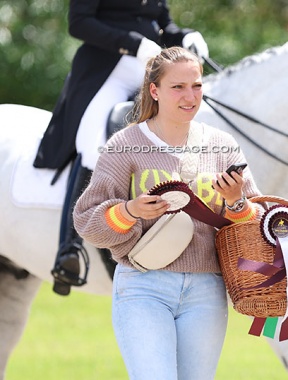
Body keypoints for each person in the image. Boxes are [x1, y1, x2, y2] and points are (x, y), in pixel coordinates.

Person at [72, 46, 263, 380]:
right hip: (143, 286)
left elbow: (256, 224)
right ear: (155, 91)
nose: (190, 96)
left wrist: (236, 201)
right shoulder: (125, 145)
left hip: (207, 290)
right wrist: (129, 211)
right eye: (178, 87)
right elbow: (86, 219)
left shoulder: (222, 145)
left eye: (197, 86)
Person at [32, 0, 210, 295]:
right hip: (107, 69)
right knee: (93, 144)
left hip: (153, 72)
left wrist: (185, 36)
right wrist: (132, 43)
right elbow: (79, 23)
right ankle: (71, 248)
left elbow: (163, 24)